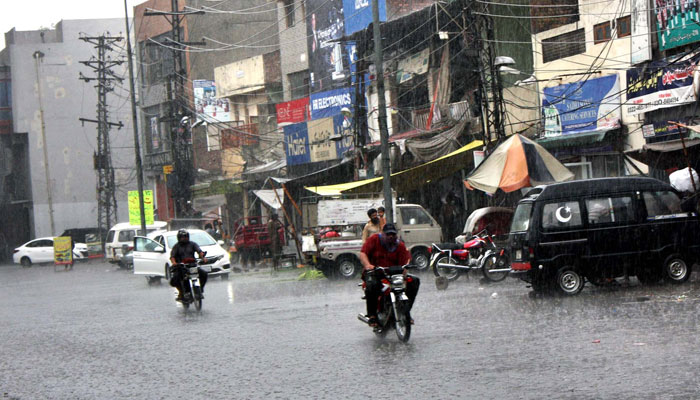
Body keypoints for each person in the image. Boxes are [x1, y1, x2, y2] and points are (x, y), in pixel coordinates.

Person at [359, 223, 420, 326]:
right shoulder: (374, 239)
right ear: (383, 234)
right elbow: (363, 253)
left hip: (394, 274)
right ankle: (372, 315)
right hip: (375, 273)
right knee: (372, 284)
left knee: (414, 281)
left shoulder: (400, 245)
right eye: (388, 234)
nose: (390, 236)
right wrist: (368, 265)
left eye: (392, 234)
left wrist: (404, 275)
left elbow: (404, 263)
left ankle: (405, 311)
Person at [169, 229, 208, 301]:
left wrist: (203, 257)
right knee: (175, 279)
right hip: (181, 267)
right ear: (179, 238)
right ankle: (182, 292)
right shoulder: (176, 246)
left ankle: (200, 289)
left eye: (186, 236)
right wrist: (174, 263)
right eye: (183, 237)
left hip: (192, 266)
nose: (185, 238)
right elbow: (172, 256)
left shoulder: (193, 244)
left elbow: (199, 251)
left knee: (204, 274)